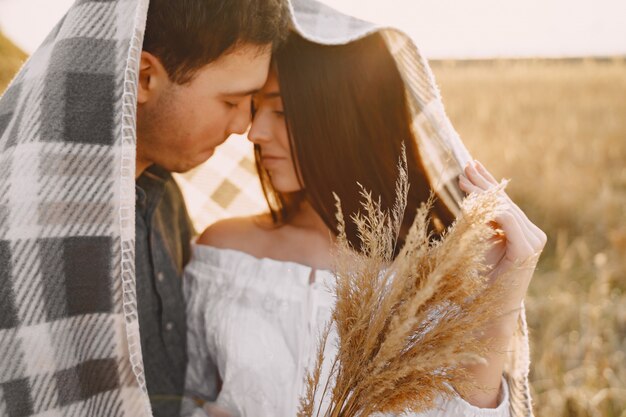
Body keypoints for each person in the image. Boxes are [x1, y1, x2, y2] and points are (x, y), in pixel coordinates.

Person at [182, 32, 546, 416]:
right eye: (256, 109)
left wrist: (499, 311)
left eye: (282, 112)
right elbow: (184, 396)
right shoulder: (223, 253)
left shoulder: (434, 278)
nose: (254, 133)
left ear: (346, 119)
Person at [134, 0, 288, 415]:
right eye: (231, 102)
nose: (243, 127)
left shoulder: (164, 196)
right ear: (145, 77)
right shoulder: (28, 211)